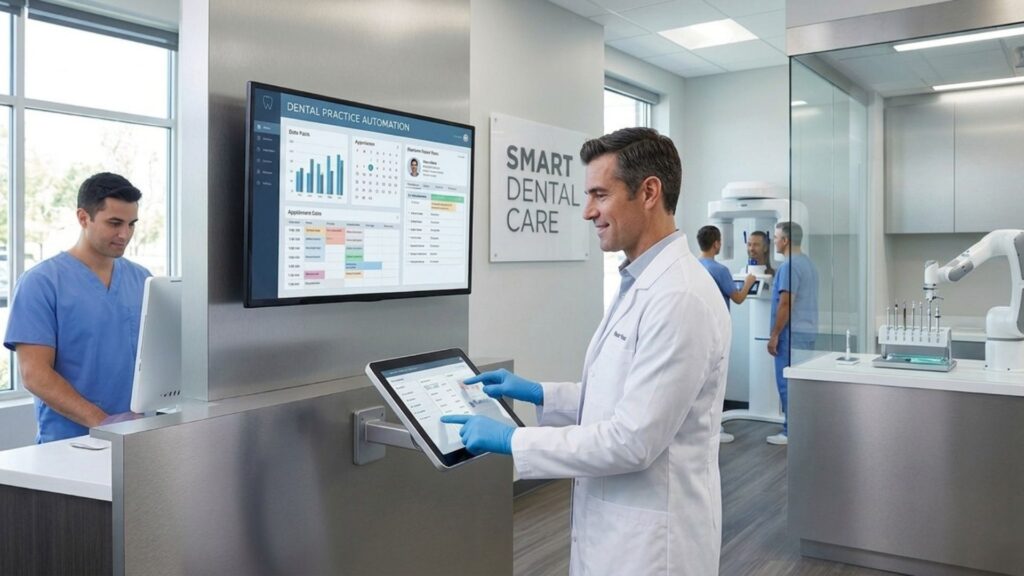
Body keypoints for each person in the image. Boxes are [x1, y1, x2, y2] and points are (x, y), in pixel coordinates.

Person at [442, 128, 731, 575]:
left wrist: (512, 439)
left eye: (600, 194)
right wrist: (542, 394)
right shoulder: (643, 282)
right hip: (618, 533)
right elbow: (626, 401)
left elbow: (632, 440)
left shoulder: (680, 297)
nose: (587, 211)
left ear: (649, 191)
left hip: (654, 550)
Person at [4, 172, 152, 443]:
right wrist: (104, 423)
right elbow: (34, 375)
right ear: (83, 218)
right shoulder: (41, 283)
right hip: (68, 444)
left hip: (134, 439)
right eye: (115, 223)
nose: (125, 234)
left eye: (132, 224)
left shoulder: (143, 279)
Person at [697, 224, 755, 444]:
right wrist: (749, 282)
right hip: (717, 331)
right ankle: (715, 429)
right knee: (717, 378)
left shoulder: (694, 265)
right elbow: (738, 298)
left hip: (699, 327)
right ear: (717, 244)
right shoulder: (719, 270)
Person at [766, 221, 818, 446]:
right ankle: (802, 428)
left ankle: (790, 431)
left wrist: (775, 334)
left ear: (785, 240)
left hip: (791, 333)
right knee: (801, 385)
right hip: (806, 331)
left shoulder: (789, 266)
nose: (774, 241)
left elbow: (786, 303)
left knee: (788, 384)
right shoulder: (808, 263)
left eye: (776, 237)